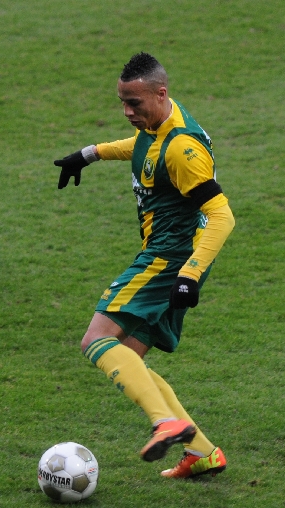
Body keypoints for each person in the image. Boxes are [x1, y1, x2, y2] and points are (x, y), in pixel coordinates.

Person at [53, 52, 235, 479]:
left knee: (96, 341)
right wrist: (89, 154)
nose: (127, 112)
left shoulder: (184, 149)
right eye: (122, 102)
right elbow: (143, 148)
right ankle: (203, 453)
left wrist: (188, 275)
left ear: (161, 93)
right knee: (130, 355)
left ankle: (165, 423)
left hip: (169, 259)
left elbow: (223, 215)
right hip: (173, 255)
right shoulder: (161, 125)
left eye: (134, 103)